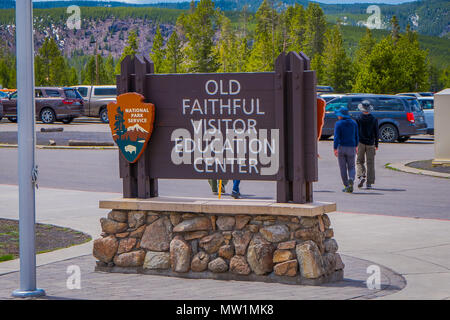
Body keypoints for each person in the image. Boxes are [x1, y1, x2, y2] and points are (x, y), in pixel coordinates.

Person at [333, 106, 359, 193]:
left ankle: (346, 185)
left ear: (341, 115)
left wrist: (335, 148)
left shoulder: (338, 124)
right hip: (351, 147)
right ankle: (351, 178)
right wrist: (356, 145)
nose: (337, 116)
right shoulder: (354, 123)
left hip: (341, 147)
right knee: (351, 167)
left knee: (343, 168)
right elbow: (356, 136)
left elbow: (336, 137)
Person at [356, 100, 379, 189]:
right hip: (371, 143)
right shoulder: (374, 119)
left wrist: (355, 144)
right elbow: (376, 132)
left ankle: (361, 176)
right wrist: (376, 144)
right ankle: (369, 183)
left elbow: (356, 132)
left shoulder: (358, 118)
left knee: (359, 161)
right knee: (370, 163)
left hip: (360, 142)